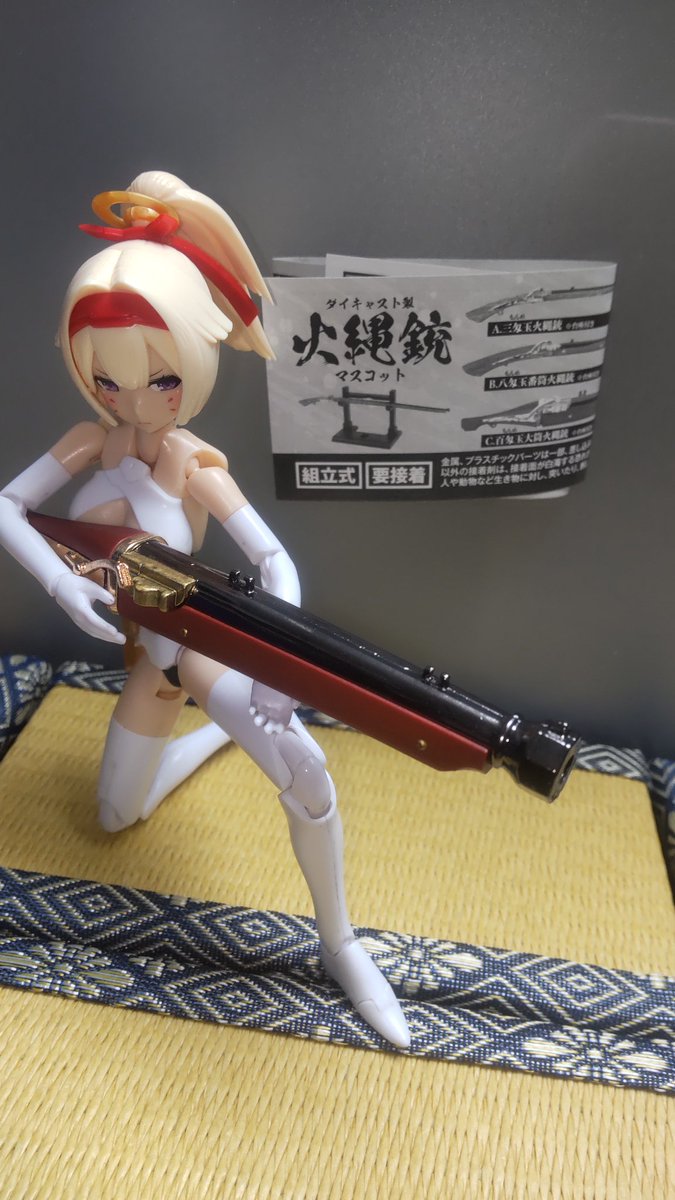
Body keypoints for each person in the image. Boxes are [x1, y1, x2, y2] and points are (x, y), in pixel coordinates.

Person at [0, 171, 410, 1049]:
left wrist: (279, 666)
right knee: (115, 818)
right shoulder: (90, 441)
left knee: (304, 770)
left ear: (193, 362)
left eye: (160, 379)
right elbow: (6, 507)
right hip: (146, 664)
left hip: (198, 644)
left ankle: (340, 942)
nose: (134, 400)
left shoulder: (192, 462)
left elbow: (273, 560)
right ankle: (214, 739)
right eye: (107, 380)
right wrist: (62, 584)